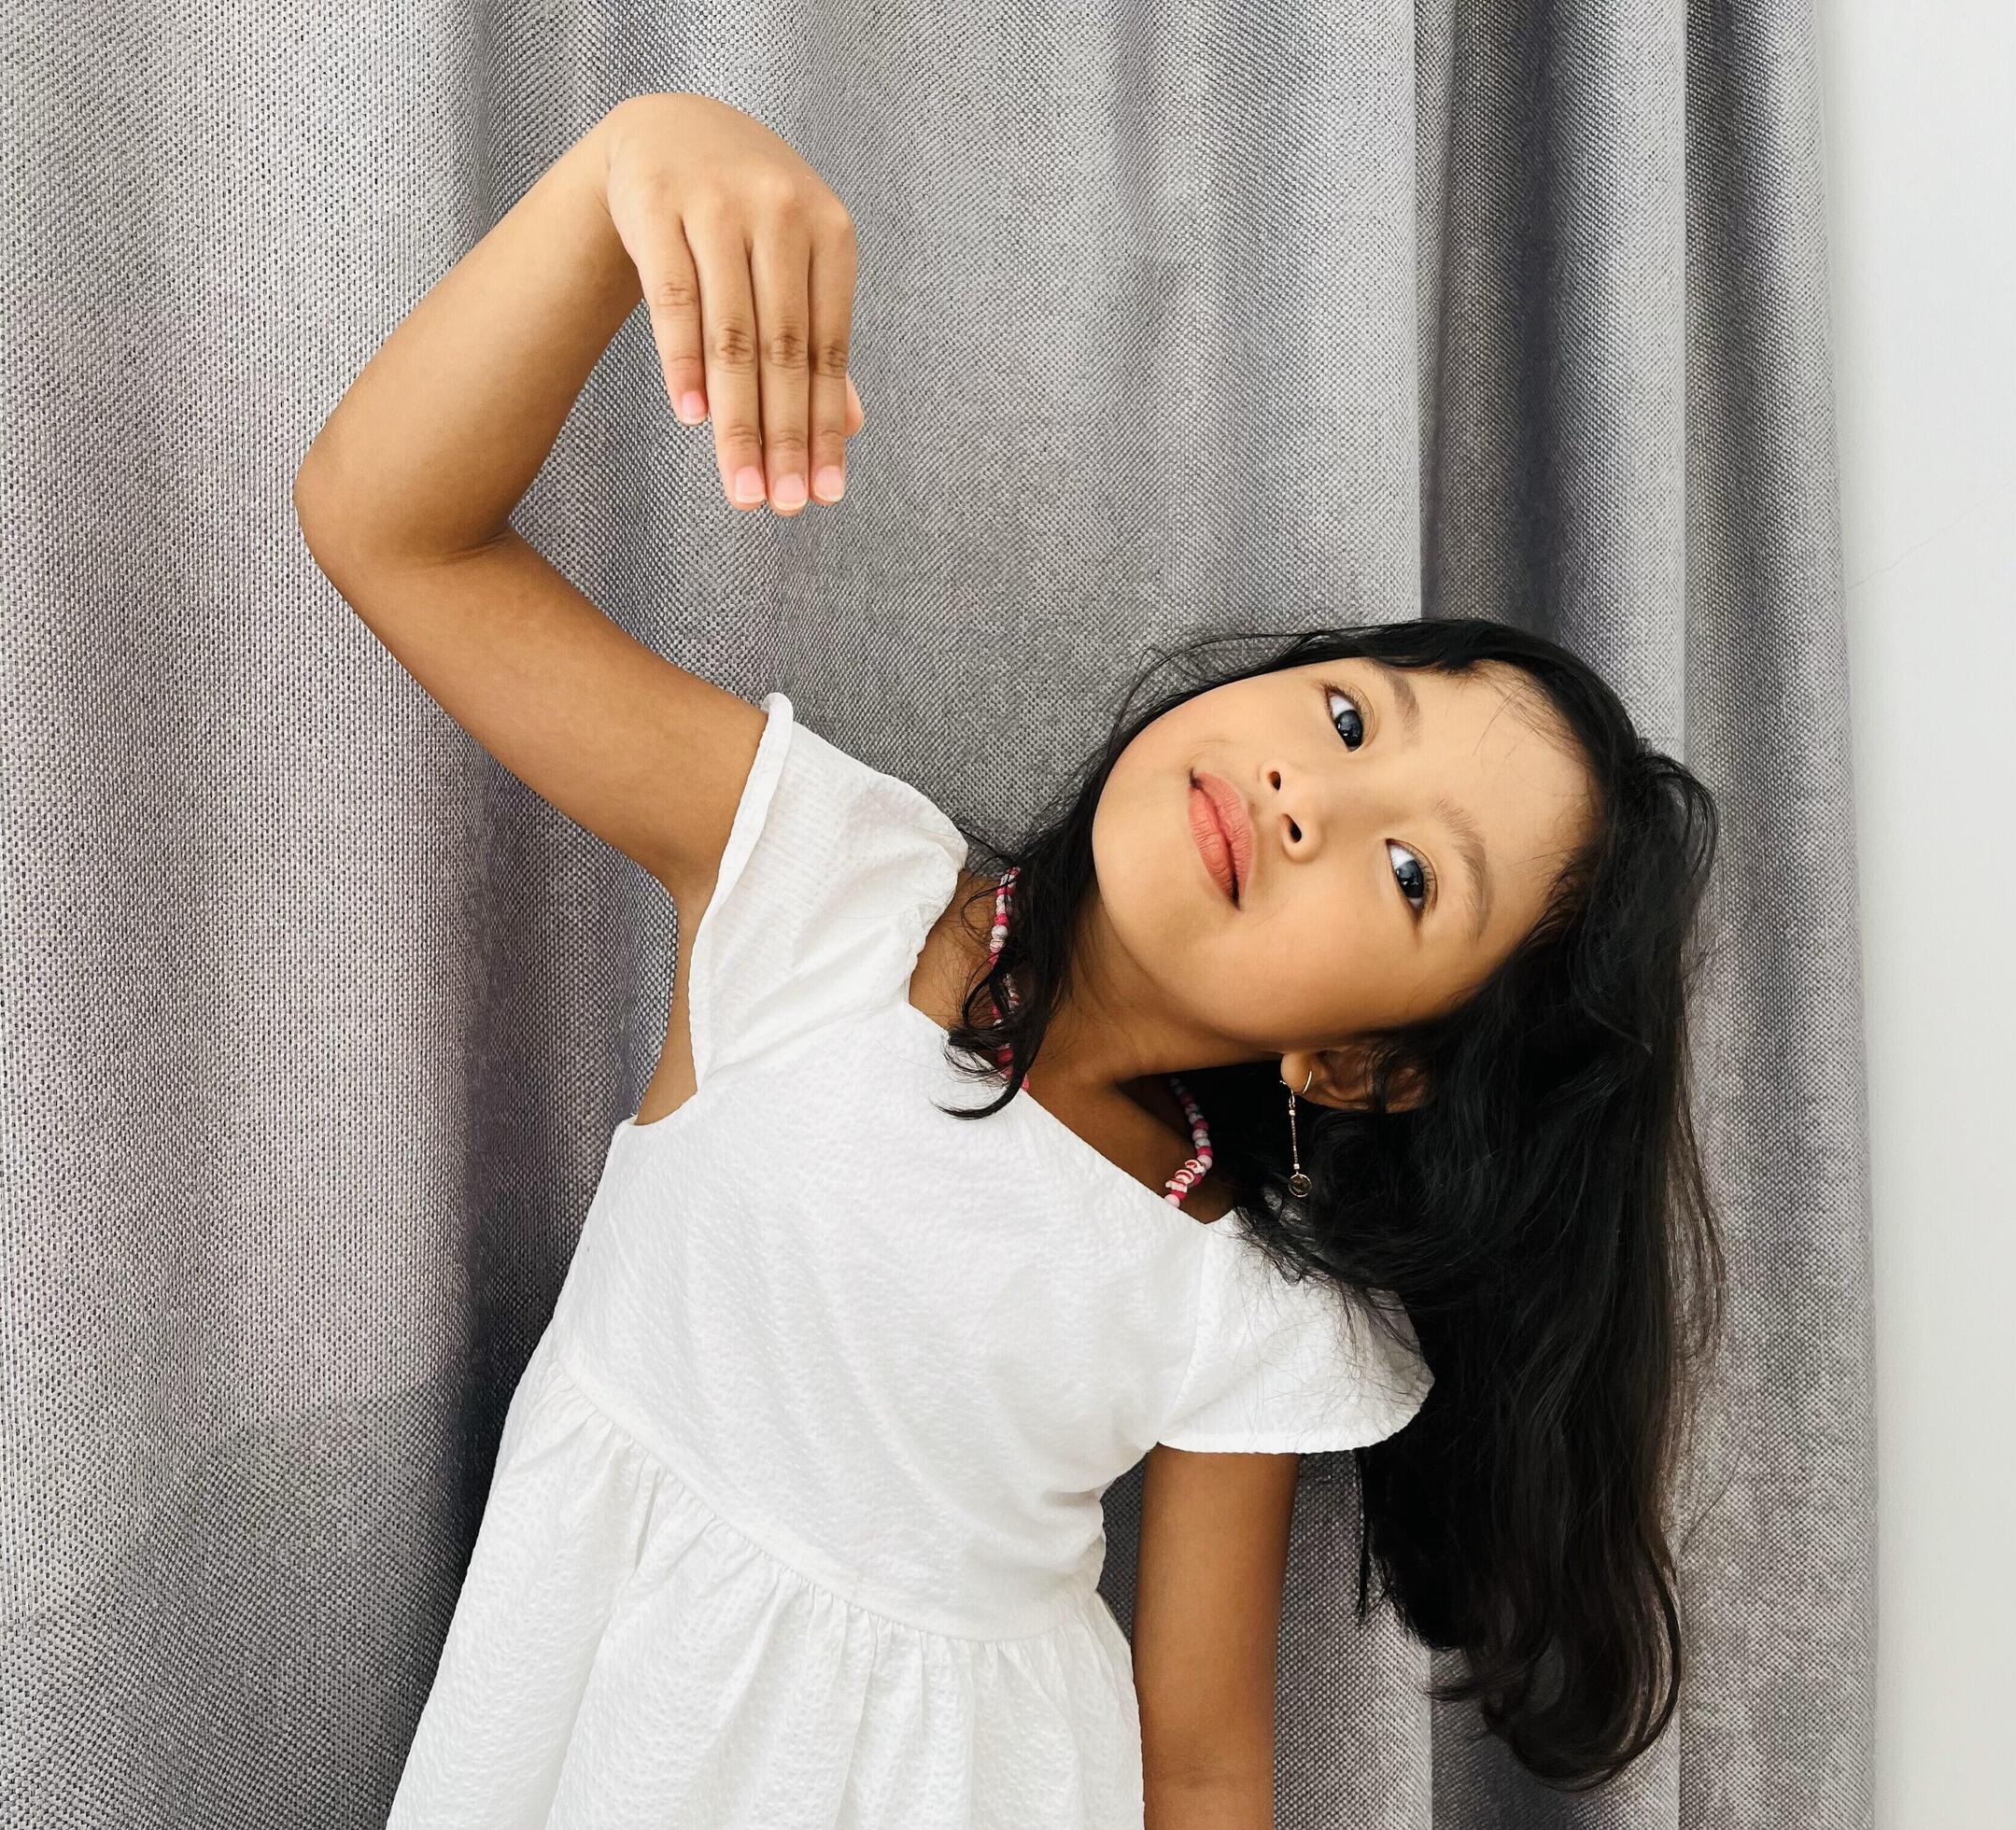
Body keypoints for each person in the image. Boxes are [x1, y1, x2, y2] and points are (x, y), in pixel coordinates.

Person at [294, 91, 1727, 1830]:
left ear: (1366, 1066)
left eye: (1411, 871)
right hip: (605, 1729)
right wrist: (627, 169)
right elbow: (388, 522)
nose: (1305, 797)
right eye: (1350, 716)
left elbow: (1199, 1756)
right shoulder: (823, 883)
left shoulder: (1235, 1282)